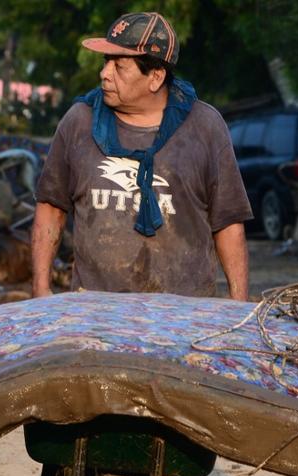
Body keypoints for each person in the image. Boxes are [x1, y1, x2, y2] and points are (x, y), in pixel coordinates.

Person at [31, 11, 253, 301]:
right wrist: (40, 288)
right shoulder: (79, 122)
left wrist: (239, 303)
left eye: (119, 66)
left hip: (182, 317)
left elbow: (228, 222)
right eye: (105, 62)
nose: (104, 74)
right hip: (94, 314)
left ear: (156, 77)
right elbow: (51, 207)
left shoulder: (205, 127)